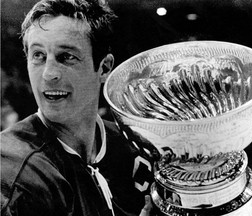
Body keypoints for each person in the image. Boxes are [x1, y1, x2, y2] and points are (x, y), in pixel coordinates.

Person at [0, 0, 155, 215]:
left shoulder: (134, 146)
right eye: (38, 56)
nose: (48, 74)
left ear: (104, 67)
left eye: (66, 57)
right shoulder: (13, 174)